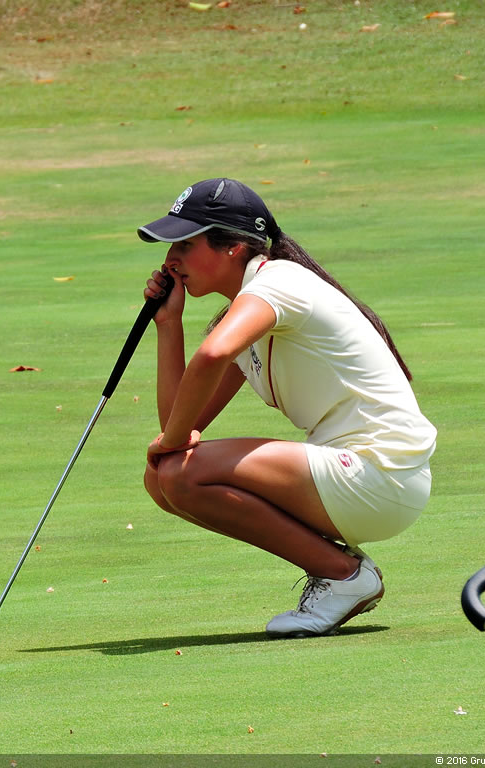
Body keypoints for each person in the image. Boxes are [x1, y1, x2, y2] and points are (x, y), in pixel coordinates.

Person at [138, 178, 436, 638]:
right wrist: (168, 324)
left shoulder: (281, 282)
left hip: (381, 476)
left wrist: (172, 443)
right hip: (359, 482)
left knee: (179, 471)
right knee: (164, 479)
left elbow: (211, 359)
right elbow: (181, 419)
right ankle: (340, 571)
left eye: (185, 244)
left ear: (233, 247)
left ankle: (344, 577)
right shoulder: (249, 308)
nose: (170, 259)